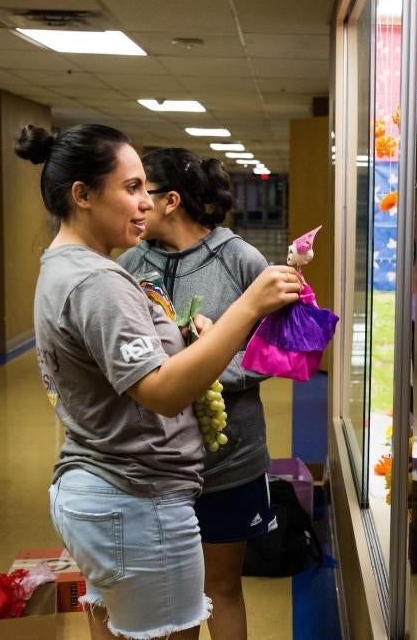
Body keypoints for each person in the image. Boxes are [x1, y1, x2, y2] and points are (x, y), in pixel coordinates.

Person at [17, 124, 301, 640]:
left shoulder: (70, 268)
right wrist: (248, 308)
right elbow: (164, 390)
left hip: (125, 475)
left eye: (144, 188)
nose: (142, 203)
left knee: (134, 619)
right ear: (81, 195)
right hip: (137, 492)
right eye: (129, 188)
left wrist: (201, 343)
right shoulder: (100, 278)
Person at [116, 148, 272, 640]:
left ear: (171, 201)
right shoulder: (128, 264)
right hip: (154, 464)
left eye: (143, 190)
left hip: (229, 460)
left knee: (221, 588)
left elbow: (275, 352)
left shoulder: (239, 260)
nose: (135, 203)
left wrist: (199, 366)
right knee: (173, 596)